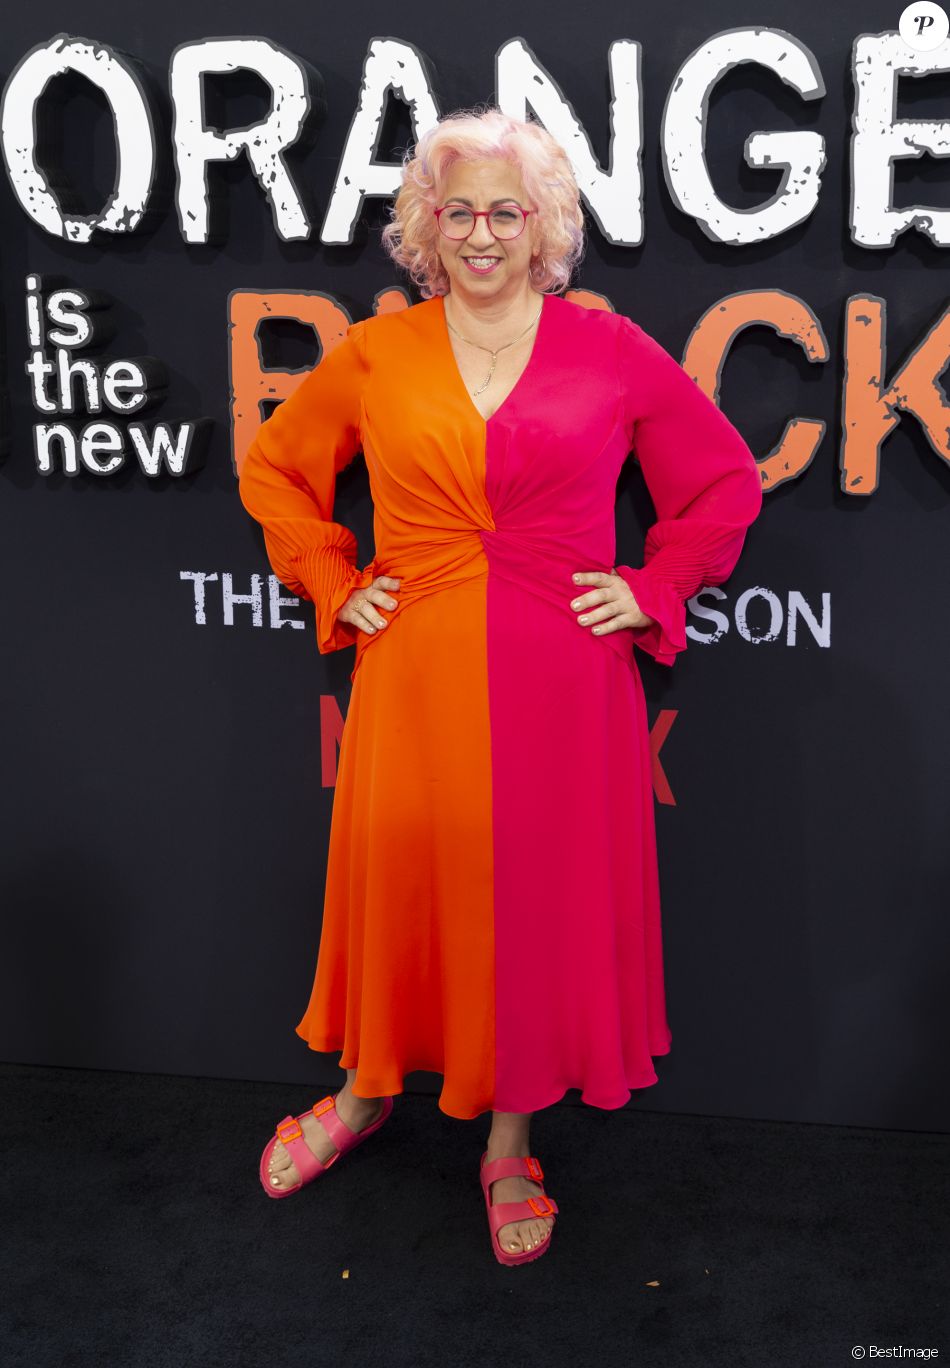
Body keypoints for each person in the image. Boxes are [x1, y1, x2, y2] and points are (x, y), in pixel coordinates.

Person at [237, 106, 762, 1265]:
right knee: (400, 880)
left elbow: (721, 483)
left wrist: (656, 585)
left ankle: (507, 1143)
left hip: (564, 680)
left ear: (544, 226)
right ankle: (365, 1092)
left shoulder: (611, 350)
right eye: (458, 210)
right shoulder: (375, 354)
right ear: (428, 226)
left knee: (527, 901)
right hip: (411, 663)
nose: (481, 233)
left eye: (505, 211)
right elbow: (278, 471)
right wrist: (335, 577)